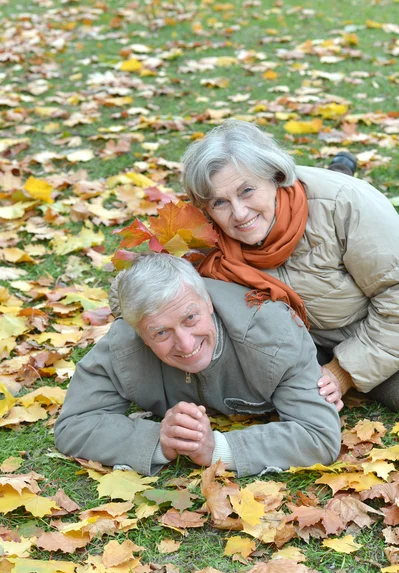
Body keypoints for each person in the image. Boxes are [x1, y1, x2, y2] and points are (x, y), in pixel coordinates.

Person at [54, 253, 341, 477]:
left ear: (208, 301)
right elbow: (74, 424)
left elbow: (319, 434)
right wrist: (158, 441)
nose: (187, 345)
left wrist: (218, 449)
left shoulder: (273, 332)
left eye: (190, 318)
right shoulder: (123, 345)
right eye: (161, 333)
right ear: (140, 333)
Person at [181, 119, 399, 411]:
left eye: (247, 191)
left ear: (275, 175)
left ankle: (339, 172)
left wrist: (342, 372)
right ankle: (338, 166)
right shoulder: (207, 231)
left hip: (368, 327)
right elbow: (146, 288)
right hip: (307, 337)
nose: (238, 212)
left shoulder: (347, 205)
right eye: (220, 202)